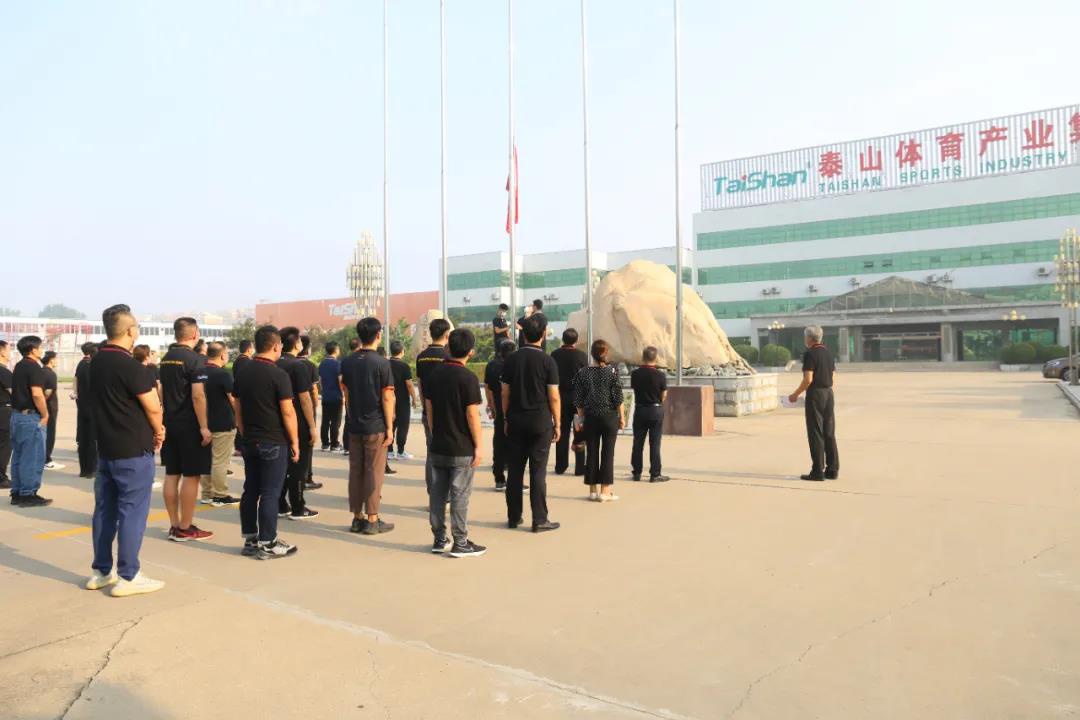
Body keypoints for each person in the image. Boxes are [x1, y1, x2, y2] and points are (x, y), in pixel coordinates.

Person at [85, 303, 167, 596]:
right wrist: (159, 431)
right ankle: (129, 576)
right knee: (132, 512)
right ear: (130, 331)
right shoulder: (131, 366)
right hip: (132, 449)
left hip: (107, 448)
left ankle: (101, 571)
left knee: (105, 511)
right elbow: (152, 407)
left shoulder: (95, 362)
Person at [235, 325, 300, 559]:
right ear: (275, 346)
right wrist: (295, 441)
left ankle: (251, 538)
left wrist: (243, 432)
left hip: (250, 440)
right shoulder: (278, 375)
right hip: (273, 440)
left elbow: (237, 406)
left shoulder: (243, 371)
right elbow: (288, 411)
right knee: (270, 492)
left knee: (251, 489)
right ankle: (268, 542)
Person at [425, 328, 486, 557]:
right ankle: (460, 542)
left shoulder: (434, 375)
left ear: (448, 347)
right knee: (460, 495)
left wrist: (435, 433)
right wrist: (478, 446)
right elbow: (472, 415)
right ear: (471, 352)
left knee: (438, 494)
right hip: (462, 447)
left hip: (439, 444)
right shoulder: (468, 378)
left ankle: (440, 538)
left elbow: (429, 408)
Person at [501, 314, 560, 532]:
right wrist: (558, 423)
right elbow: (554, 396)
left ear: (523, 334)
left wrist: (506, 417)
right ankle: (539, 519)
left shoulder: (511, 360)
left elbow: (504, 393)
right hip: (540, 422)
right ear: (544, 334)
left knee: (515, 471)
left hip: (516, 420)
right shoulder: (548, 361)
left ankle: (514, 517)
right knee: (538, 472)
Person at [159, 317, 213, 542]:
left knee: (172, 474)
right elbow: (198, 395)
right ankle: (185, 526)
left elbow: (161, 391)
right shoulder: (195, 360)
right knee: (191, 476)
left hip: (170, 421)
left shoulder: (166, 359)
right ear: (194, 334)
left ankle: (174, 524)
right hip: (190, 425)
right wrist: (204, 427)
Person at [340, 317, 395, 535]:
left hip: (354, 425)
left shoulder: (347, 362)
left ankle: (357, 517)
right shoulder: (382, 363)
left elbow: (346, 394)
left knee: (356, 471)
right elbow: (387, 397)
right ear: (378, 335)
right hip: (375, 425)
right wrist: (389, 427)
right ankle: (372, 518)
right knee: (374, 472)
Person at [573, 339, 625, 502]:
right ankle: (605, 491)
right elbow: (618, 398)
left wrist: (581, 418)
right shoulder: (612, 372)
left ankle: (592, 490)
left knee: (592, 453)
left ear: (592, 354)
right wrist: (622, 418)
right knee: (608, 453)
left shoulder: (583, 372)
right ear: (606, 354)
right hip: (609, 416)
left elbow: (578, 400)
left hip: (591, 417)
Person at [275, 327, 318, 520]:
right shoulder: (298, 366)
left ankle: (281, 504)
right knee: (298, 466)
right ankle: (298, 506)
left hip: (278, 421)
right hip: (298, 420)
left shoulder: (274, 363)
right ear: (296, 344)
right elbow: (305, 398)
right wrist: (312, 426)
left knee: (283, 464)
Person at [788, 325, 839, 482]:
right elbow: (833, 377)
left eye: (805, 336)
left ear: (809, 338)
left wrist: (795, 394)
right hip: (828, 393)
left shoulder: (810, 354)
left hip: (816, 394)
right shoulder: (828, 353)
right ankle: (832, 469)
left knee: (816, 432)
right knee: (829, 432)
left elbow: (808, 379)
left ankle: (817, 471)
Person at [9, 336, 52, 507]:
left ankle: (17, 492)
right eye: (40, 347)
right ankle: (28, 493)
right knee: (32, 457)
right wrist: (45, 414)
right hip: (30, 417)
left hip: (17, 416)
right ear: (33, 350)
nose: (42, 350)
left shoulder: (19, 365)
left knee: (19, 455)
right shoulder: (34, 367)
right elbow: (37, 394)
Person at [199, 342, 240, 507]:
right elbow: (233, 398)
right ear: (222, 355)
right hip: (223, 423)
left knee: (206, 460)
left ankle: (207, 494)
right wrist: (239, 418)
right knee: (220, 461)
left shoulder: (199, 373)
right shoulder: (223, 374)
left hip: (203, 422)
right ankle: (220, 495)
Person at [416, 319, 450, 493]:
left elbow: (420, 385)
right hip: (447, 413)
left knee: (431, 451)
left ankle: (433, 491)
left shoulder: (421, 357)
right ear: (447, 334)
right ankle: (446, 492)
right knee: (449, 452)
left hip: (428, 411)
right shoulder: (448, 356)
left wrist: (424, 406)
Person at [551, 329, 587, 476]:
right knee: (579, 431)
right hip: (578, 399)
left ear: (563, 339)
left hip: (560, 397)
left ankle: (561, 465)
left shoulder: (555, 355)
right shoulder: (582, 355)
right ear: (576, 340)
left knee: (562, 430)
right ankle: (580, 467)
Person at [630, 346, 669, 483]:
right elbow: (663, 395)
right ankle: (655, 474)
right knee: (655, 443)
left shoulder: (635, 374)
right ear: (655, 358)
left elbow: (635, 389)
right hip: (655, 410)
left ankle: (636, 472)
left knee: (638, 443)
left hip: (640, 409)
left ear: (643, 357)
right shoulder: (660, 375)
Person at [483, 340, 515, 490]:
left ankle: (499, 477)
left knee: (499, 440)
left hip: (498, 407)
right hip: (513, 408)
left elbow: (487, 388)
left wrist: (490, 405)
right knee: (515, 443)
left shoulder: (492, 365)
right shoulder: (515, 365)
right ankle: (514, 479)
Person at [298, 337, 323, 491]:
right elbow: (313, 390)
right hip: (306, 410)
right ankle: (306, 477)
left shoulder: (282, 363)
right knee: (307, 445)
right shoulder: (310, 366)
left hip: (289, 408)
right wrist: (315, 405)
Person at [73, 342, 99, 478]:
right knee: (92, 439)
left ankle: (84, 469)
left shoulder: (81, 364)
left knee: (83, 438)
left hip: (82, 405)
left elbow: (75, 382)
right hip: (93, 406)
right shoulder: (93, 365)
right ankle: (92, 469)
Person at [388, 340, 416, 460]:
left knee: (390, 425)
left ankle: (389, 451)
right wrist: (414, 398)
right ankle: (400, 451)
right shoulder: (404, 366)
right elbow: (409, 384)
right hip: (403, 401)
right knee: (403, 426)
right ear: (402, 351)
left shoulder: (385, 364)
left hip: (388, 400)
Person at [318, 340, 343, 452]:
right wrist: (343, 394)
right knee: (335, 421)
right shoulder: (337, 364)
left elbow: (320, 380)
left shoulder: (322, 364)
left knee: (325, 420)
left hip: (326, 396)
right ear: (336, 350)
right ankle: (334, 444)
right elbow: (340, 380)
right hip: (336, 396)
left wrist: (323, 391)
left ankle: (325, 443)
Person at [41, 351, 63, 470]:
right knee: (50, 433)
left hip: (42, 407)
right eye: (56, 359)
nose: (56, 361)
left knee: (43, 433)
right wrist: (42, 404)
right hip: (49, 407)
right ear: (51, 360)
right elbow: (48, 392)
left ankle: (43, 458)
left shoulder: (40, 371)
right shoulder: (51, 374)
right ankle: (47, 460)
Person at [232, 339, 254, 453]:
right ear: (249, 349)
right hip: (246, 394)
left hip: (238, 392)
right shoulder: (248, 362)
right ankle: (241, 446)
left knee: (239, 419)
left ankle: (238, 447)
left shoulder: (237, 361)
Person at [341, 338, 361, 456]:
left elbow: (342, 380)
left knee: (348, 420)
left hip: (349, 394)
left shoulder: (345, 361)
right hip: (361, 395)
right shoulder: (362, 360)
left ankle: (347, 447)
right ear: (360, 346)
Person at [0, 341, 12, 489]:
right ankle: (1, 478)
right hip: (4, 411)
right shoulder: (4, 372)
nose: (10, 353)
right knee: (4, 446)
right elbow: (14, 393)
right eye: (9, 350)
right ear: (2, 352)